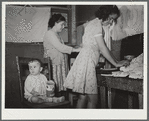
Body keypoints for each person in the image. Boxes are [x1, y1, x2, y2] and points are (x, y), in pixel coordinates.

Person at [63, 5, 130, 108]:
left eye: (113, 20)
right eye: (111, 18)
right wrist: (116, 63)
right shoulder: (96, 25)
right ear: (105, 15)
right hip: (87, 62)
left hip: (84, 60)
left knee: (83, 97)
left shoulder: (93, 23)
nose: (111, 22)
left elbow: (103, 47)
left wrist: (117, 60)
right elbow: (103, 48)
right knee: (93, 100)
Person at [43, 14, 81, 95]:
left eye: (64, 25)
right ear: (55, 23)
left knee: (60, 88)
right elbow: (60, 47)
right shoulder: (50, 34)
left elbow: (61, 47)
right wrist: (76, 50)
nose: (63, 27)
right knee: (55, 88)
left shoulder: (56, 34)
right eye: (62, 24)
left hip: (59, 64)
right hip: (54, 64)